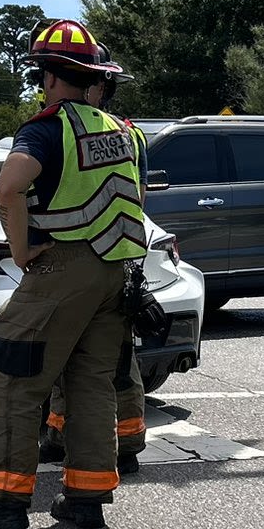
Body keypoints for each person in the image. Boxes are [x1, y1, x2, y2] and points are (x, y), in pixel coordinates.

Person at [0, 19, 144, 529]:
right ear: (92, 75)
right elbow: (134, 201)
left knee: (16, 383)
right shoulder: (126, 133)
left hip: (60, 269)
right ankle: (86, 498)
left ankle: (3, 503)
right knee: (92, 384)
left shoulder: (45, 128)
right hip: (115, 273)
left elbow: (9, 188)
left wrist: (21, 249)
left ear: (50, 77)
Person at [41, 56, 150, 472]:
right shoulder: (128, 135)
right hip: (117, 258)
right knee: (105, 357)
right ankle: (87, 436)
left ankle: (116, 440)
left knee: (99, 359)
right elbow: (138, 198)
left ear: (99, 87)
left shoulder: (73, 129)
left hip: (84, 259)